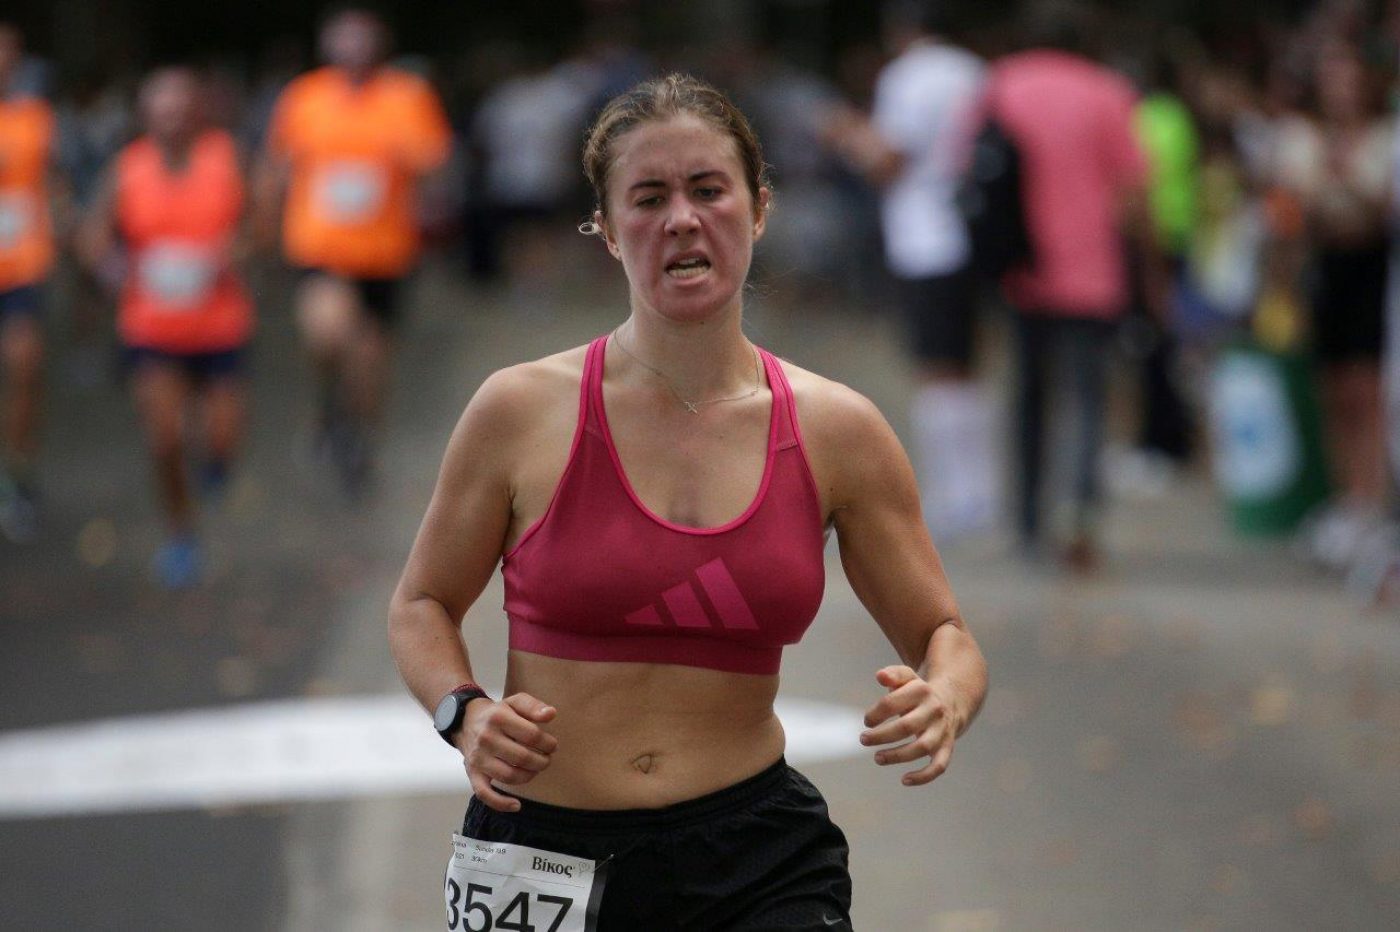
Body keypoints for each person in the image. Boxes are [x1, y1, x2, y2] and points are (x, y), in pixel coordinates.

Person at [388, 74, 987, 930]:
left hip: (759, 862)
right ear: (607, 229)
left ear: (760, 209)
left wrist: (946, 697)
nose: (681, 219)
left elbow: (944, 636)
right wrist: (464, 712)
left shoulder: (837, 430)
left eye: (709, 190)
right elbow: (421, 603)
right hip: (541, 853)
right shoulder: (520, 410)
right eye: (648, 198)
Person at [987, 0, 1162, 570]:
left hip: (1020, 267)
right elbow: (1135, 191)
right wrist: (1151, 267)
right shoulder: (1108, 92)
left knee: (1028, 395)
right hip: (1092, 271)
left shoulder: (1000, 85)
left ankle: (1026, 521)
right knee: (1086, 396)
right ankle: (1079, 519)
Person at [255, 6, 450, 496]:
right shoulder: (304, 97)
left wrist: (421, 179)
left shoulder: (407, 96)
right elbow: (277, 166)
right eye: (344, 38)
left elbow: (434, 162)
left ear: (381, 44)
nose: (353, 48)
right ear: (327, 44)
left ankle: (360, 437)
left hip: (385, 253)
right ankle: (328, 403)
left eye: (363, 38)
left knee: (371, 358)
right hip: (319, 247)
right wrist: (265, 226)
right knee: (328, 334)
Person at [822, 0, 998, 539]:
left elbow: (888, 162)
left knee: (935, 368)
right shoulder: (976, 72)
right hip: (978, 234)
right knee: (969, 365)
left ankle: (954, 496)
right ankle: (980, 491)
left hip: (926, 237)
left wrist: (847, 134)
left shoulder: (908, 77)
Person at [79, 67, 254, 588]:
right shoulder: (127, 169)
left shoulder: (226, 159)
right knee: (165, 438)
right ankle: (181, 534)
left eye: (181, 109)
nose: (172, 120)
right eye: (161, 111)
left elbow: (259, 224)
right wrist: (112, 268)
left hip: (220, 326)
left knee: (220, 439)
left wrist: (236, 252)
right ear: (145, 116)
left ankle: (215, 465)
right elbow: (93, 236)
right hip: (151, 328)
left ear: (197, 113)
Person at [0, 22, 55, 542]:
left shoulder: (35, 120)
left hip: (20, 269)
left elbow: (54, 184)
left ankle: (17, 476)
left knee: (24, 367)